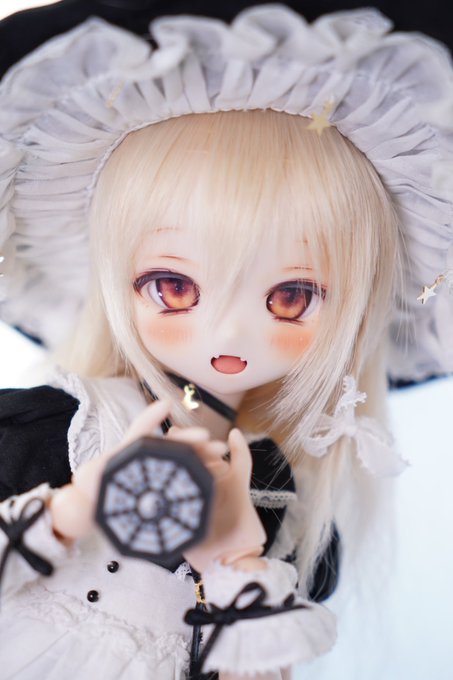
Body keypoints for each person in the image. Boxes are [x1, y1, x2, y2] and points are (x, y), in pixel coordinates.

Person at [0, 4, 452, 679]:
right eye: (173, 287)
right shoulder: (55, 429)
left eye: (291, 297)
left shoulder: (275, 498)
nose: (228, 333)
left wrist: (233, 562)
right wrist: (69, 510)